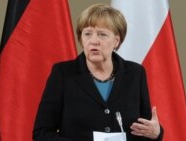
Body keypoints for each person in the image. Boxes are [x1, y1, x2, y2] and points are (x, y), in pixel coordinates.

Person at [33, 3, 164, 141]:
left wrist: (156, 134)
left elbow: (144, 131)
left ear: (116, 41)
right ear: (81, 38)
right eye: (88, 34)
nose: (93, 41)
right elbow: (41, 134)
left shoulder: (135, 74)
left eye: (102, 34)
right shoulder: (63, 74)